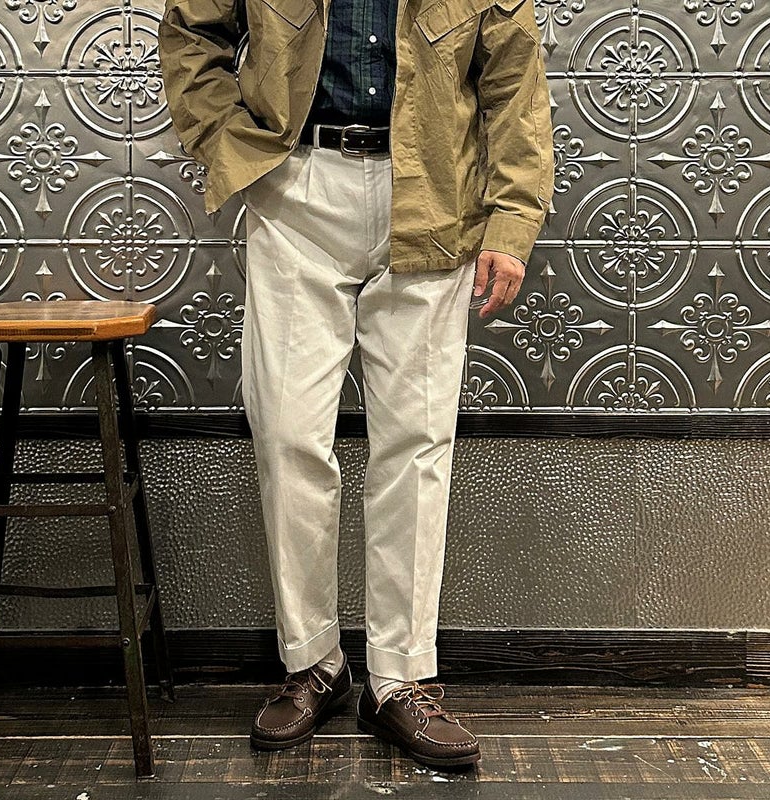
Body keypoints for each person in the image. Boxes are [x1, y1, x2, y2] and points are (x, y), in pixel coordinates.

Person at [158, 0, 553, 770]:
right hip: (296, 189)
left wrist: (511, 221)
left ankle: (401, 679)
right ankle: (312, 663)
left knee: (416, 444)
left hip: (434, 190)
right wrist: (231, 145)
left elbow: (514, 78)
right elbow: (190, 33)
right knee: (288, 436)